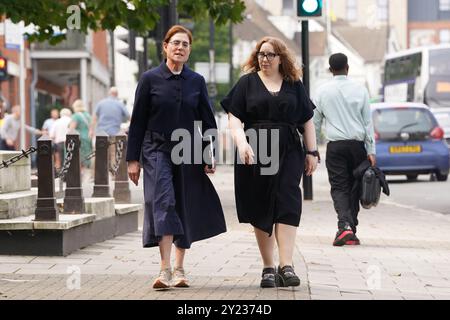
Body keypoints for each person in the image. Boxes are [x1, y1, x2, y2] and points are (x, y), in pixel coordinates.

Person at [126, 25, 226, 290]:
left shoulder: (196, 81)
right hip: (155, 149)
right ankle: (164, 268)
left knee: (184, 204)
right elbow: (137, 121)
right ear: (165, 46)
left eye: (185, 44)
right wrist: (132, 159)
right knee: (164, 202)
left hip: (189, 151)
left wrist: (208, 153)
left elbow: (208, 120)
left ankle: (180, 268)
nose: (180, 48)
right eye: (176, 43)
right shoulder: (150, 79)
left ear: (189, 50)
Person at [221, 36, 319, 288]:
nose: (264, 59)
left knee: (288, 201)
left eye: (270, 55)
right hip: (257, 147)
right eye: (261, 54)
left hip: (288, 149)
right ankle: (268, 266)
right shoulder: (246, 84)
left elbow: (307, 120)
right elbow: (234, 118)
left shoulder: (294, 84)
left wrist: (312, 152)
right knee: (261, 204)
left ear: (280, 58)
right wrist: (242, 144)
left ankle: (286, 265)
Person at [312, 53, 376, 247]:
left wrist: (312, 150)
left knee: (340, 187)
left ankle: (345, 226)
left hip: (336, 147)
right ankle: (350, 229)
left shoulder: (322, 91)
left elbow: (314, 123)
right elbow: (367, 123)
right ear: (348, 68)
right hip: (357, 147)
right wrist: (371, 150)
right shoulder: (360, 90)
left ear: (330, 70)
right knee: (355, 187)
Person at [70, 99, 93, 170]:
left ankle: (79, 174)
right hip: (88, 137)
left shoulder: (76, 116)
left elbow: (72, 129)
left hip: (78, 138)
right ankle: (87, 172)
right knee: (87, 156)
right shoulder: (88, 115)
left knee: (78, 157)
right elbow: (91, 128)